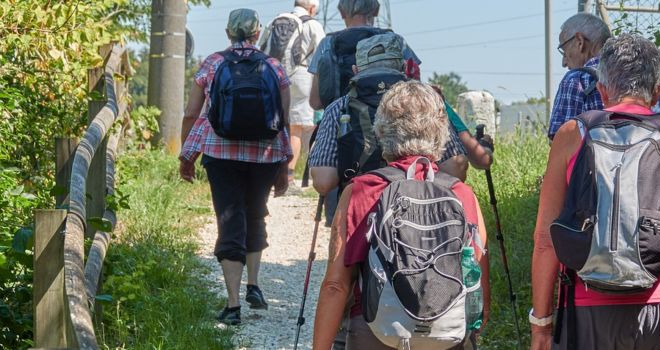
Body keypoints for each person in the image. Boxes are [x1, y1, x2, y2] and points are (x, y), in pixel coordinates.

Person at [528, 33, 660, 349]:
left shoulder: (572, 135)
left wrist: (542, 328)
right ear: (657, 94)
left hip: (587, 307)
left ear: (601, 91)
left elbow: (546, 239)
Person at [311, 80, 490, 350]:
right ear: (442, 131)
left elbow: (336, 286)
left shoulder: (363, 190)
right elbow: (477, 285)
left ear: (381, 130)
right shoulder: (462, 194)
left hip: (375, 332)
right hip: (446, 336)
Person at [178, 8, 292, 325]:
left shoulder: (213, 64)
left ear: (228, 33)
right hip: (265, 156)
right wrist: (285, 165)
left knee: (229, 219)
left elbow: (191, 113)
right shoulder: (274, 66)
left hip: (221, 154)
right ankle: (254, 285)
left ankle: (233, 305)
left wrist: (186, 154)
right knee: (255, 213)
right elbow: (284, 121)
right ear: (258, 34)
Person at [306, 33, 469, 216]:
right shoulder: (428, 103)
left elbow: (323, 182)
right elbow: (456, 169)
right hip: (420, 209)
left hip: (360, 208)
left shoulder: (339, 108)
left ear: (355, 69)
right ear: (404, 67)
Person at [259, 0, 327, 186]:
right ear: (312, 8)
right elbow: (323, 53)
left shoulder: (275, 21)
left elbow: (261, 48)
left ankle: (269, 172)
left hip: (274, 75)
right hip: (301, 78)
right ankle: (288, 176)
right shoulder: (312, 24)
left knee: (275, 125)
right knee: (295, 129)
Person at [547, 13, 611, 141]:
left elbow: (561, 143)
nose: (564, 62)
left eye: (564, 51)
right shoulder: (638, 75)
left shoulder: (577, 80)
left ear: (579, 42)